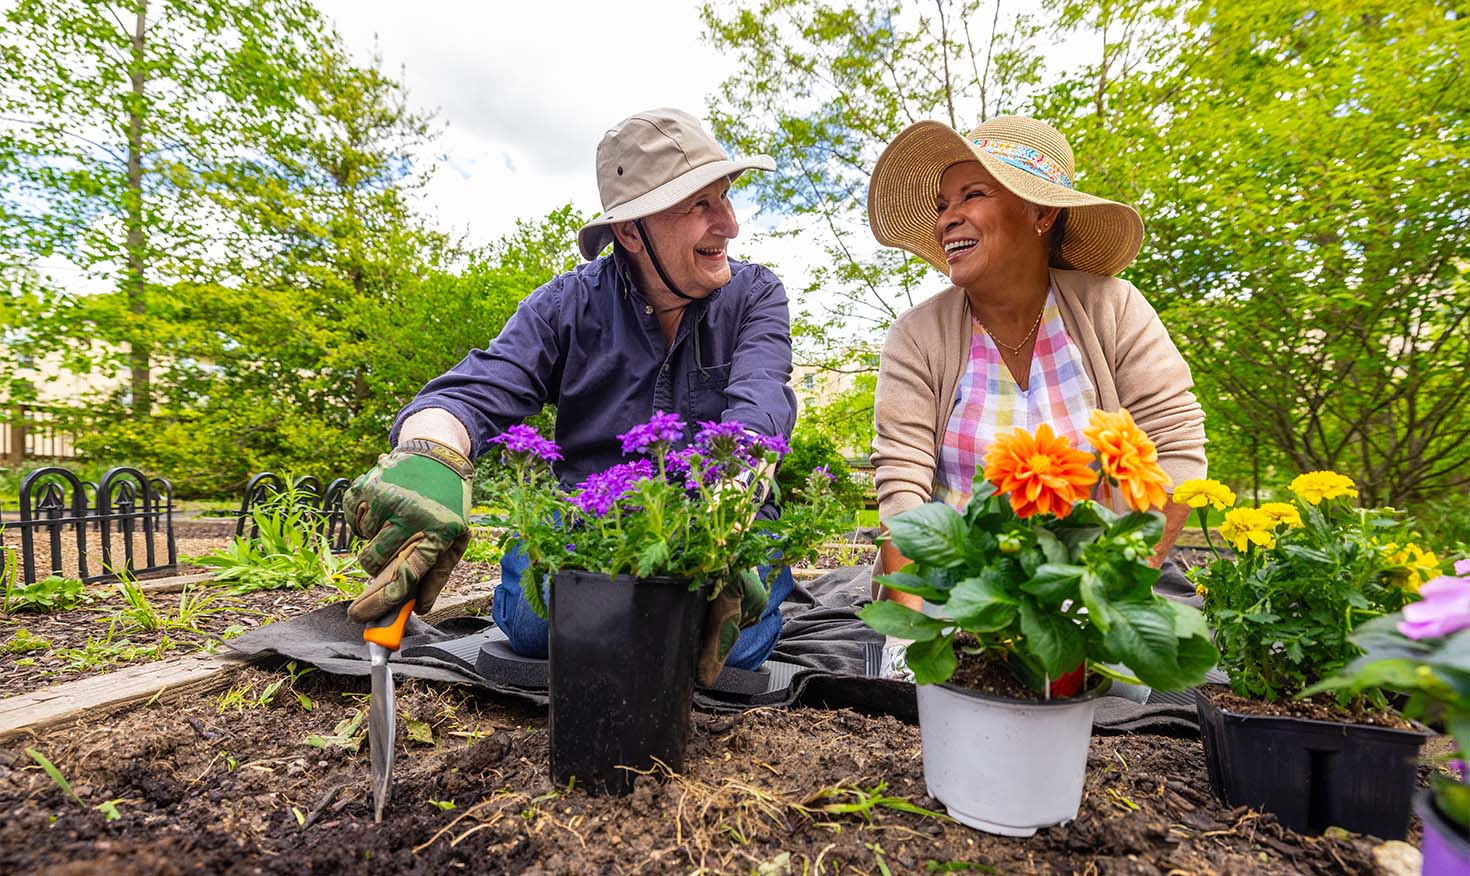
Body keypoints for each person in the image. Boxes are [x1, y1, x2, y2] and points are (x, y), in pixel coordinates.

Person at [340, 108, 799, 682]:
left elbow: (760, 407)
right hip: (591, 521)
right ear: (631, 231)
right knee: (536, 630)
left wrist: (723, 519)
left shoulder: (756, 295)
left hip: (722, 514)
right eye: (699, 206)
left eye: (724, 198)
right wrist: (430, 456)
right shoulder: (566, 305)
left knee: (736, 639)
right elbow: (477, 388)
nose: (729, 224)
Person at [865, 114, 1206, 607]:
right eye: (943, 204)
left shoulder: (1113, 308)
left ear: (1041, 213)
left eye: (973, 195)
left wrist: (1117, 598)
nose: (947, 218)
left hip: (1091, 594)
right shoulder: (917, 335)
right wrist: (907, 645)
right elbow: (903, 491)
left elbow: (1176, 449)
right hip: (954, 598)